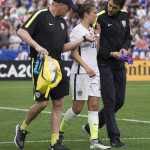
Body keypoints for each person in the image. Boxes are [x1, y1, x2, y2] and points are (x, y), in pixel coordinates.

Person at [14, 0, 96, 150]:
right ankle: (22, 128)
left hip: (57, 64)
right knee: (42, 103)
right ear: (61, 5)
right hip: (41, 64)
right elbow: (21, 31)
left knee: (59, 103)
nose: (69, 11)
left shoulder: (62, 23)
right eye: (68, 8)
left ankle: (54, 143)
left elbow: (63, 47)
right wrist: (37, 46)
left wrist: (83, 39)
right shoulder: (41, 15)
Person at [59, 3, 111, 150]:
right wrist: (87, 67)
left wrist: (98, 35)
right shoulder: (77, 31)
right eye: (95, 12)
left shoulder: (91, 30)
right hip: (81, 73)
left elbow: (96, 51)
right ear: (87, 14)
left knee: (94, 105)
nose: (97, 15)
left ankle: (94, 141)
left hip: (94, 72)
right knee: (77, 108)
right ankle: (60, 132)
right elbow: (73, 53)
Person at [83, 0, 132, 148]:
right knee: (110, 101)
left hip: (119, 63)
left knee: (119, 101)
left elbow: (128, 37)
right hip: (103, 63)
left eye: (114, 8)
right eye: (109, 5)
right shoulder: (99, 18)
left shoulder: (124, 16)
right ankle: (114, 137)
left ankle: (89, 127)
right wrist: (111, 53)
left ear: (121, 8)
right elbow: (94, 45)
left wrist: (124, 48)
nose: (110, 9)